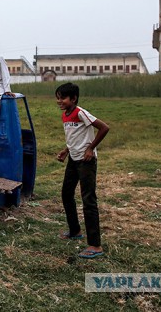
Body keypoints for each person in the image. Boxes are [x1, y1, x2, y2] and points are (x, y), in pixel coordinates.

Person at [55, 83, 109, 259]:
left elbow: (104, 128)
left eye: (63, 98)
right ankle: (75, 230)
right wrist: (66, 150)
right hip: (73, 160)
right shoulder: (65, 115)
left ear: (74, 99)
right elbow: (74, 137)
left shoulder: (80, 112)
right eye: (58, 97)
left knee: (88, 200)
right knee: (66, 194)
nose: (59, 101)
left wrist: (90, 149)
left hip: (86, 162)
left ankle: (95, 245)